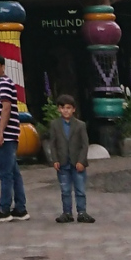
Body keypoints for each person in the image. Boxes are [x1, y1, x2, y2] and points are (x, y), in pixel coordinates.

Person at [0, 53, 27, 222]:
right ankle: (20, 208)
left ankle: (4, 208)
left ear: (2, 67)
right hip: (6, 136)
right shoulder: (1, 84)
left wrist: (0, 132)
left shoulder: (4, 84)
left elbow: (6, 108)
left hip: (6, 137)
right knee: (13, 172)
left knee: (5, 173)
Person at [44, 95, 94, 224]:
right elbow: (53, 144)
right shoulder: (55, 124)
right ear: (59, 109)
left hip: (77, 163)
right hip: (62, 163)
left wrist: (81, 161)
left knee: (80, 189)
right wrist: (54, 160)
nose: (65, 110)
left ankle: (82, 212)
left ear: (73, 109)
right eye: (63, 108)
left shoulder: (80, 125)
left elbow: (84, 145)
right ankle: (67, 213)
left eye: (68, 108)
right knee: (65, 190)